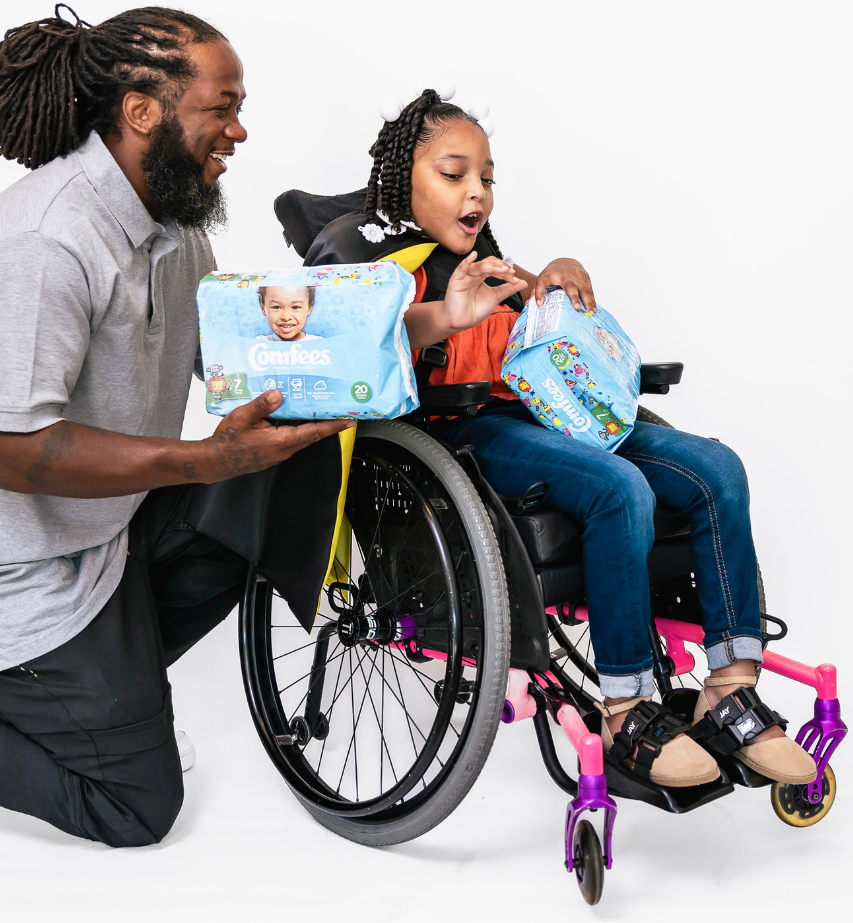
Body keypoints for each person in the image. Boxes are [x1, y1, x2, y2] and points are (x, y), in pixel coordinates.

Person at [0, 4, 361, 848]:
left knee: (277, 479)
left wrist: (413, 325)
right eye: (221, 106)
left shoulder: (171, 219)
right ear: (141, 110)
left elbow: (248, 358)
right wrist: (202, 459)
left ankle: (90, 703)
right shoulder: (43, 243)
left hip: (100, 535)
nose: (239, 129)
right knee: (137, 807)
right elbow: (17, 454)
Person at [305, 89, 817, 789]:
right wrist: (445, 317)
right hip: (458, 434)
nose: (476, 191)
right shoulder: (377, 270)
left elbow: (537, 347)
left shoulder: (491, 264)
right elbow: (355, 353)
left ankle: (729, 686)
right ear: (404, 182)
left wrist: (553, 282)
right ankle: (627, 707)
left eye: (486, 177)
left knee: (716, 470)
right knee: (619, 489)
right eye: (454, 174)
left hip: (545, 415)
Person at [256, 285, 322, 341]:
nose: (286, 317)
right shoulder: (259, 344)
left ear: (309, 309)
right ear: (263, 308)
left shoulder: (319, 344)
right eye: (276, 307)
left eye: (295, 307)